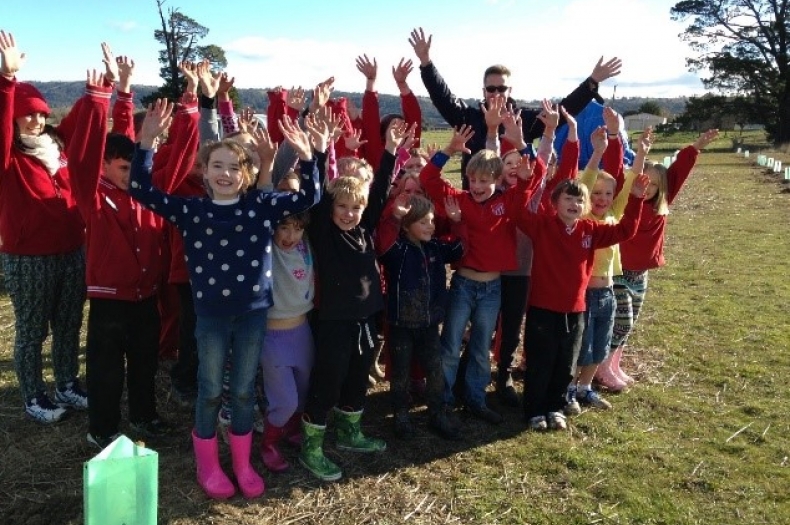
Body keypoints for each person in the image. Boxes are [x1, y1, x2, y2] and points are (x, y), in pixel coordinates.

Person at [129, 103, 320, 500]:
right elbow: (142, 190)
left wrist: (310, 155)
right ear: (204, 171)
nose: (226, 174)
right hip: (212, 318)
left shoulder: (262, 208)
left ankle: (243, 462)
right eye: (218, 165)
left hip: (252, 317)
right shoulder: (192, 211)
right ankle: (208, 464)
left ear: (247, 173)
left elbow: (312, 196)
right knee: (211, 389)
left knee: (245, 392)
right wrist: (146, 144)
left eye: (235, 167)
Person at [77, 50, 198, 449]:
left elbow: (178, 159)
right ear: (104, 167)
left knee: (144, 363)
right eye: (123, 169)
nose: (132, 175)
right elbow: (88, 151)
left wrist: (190, 108)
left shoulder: (147, 194)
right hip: (110, 300)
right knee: (106, 368)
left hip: (146, 296)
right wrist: (107, 95)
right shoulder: (93, 196)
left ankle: (145, 415)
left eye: (134, 167)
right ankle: (104, 427)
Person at [0, 30, 109, 423]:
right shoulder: (9, 159)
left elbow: (81, 122)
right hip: (28, 256)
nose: (35, 119)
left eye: (41, 112)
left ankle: (66, 383)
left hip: (70, 249)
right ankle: (33, 396)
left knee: (68, 323)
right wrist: (6, 81)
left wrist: (103, 91)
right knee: (31, 330)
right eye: (27, 113)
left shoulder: (56, 148)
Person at [298, 122, 408, 483]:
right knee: (329, 380)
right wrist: (318, 150)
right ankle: (311, 446)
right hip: (333, 320)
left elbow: (377, 193)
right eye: (342, 206)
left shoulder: (364, 227)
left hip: (367, 318)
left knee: (358, 378)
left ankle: (349, 432)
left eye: (355, 208)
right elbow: (317, 195)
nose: (349, 213)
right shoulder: (324, 232)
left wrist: (390, 149)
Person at [419, 126, 541, 425]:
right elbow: (428, 179)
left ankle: (475, 397)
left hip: (492, 288)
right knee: (450, 344)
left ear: (497, 180)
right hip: (463, 284)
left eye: (484, 180)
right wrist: (449, 149)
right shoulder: (459, 201)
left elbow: (534, 177)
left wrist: (524, 146)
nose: (477, 185)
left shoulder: (507, 202)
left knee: (481, 345)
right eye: (473, 179)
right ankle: (443, 400)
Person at [516, 166, 650, 431]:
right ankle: (535, 409)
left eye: (580, 200)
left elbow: (624, 231)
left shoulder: (590, 229)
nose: (574, 204)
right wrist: (524, 182)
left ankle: (555, 407)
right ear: (555, 203)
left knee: (566, 363)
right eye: (568, 198)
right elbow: (519, 212)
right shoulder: (542, 225)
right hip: (543, 309)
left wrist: (635, 200)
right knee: (541, 361)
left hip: (575, 310)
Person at [408, 26, 621, 188]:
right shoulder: (468, 119)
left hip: (517, 206)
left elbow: (563, 111)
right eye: (491, 89)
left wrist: (591, 82)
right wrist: (426, 63)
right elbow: (442, 96)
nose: (496, 93)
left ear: (510, 90)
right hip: (475, 206)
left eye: (502, 88)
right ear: (483, 91)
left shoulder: (525, 121)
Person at [607, 128, 720, 385]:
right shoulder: (626, 203)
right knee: (621, 322)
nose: (647, 188)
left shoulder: (664, 202)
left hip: (641, 274)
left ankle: (614, 365)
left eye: (654, 184)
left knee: (629, 324)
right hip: (619, 271)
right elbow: (627, 176)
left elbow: (680, 170)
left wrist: (696, 146)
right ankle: (603, 366)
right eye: (643, 182)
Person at [565, 114, 649, 414]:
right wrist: (598, 152)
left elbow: (629, 188)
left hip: (608, 292)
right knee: (582, 343)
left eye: (607, 194)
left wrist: (640, 154)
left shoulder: (613, 218)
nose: (601, 198)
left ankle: (586, 387)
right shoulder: (585, 219)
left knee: (600, 345)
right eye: (596, 194)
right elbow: (584, 183)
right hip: (585, 293)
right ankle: (570, 388)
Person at [376, 193, 465, 440]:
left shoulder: (435, 247)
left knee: (434, 370)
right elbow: (382, 244)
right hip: (401, 323)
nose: (430, 226)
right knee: (401, 372)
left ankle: (437, 413)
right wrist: (395, 217)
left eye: (432, 221)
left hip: (428, 324)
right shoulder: (398, 251)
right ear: (407, 226)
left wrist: (457, 222)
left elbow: (458, 249)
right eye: (423, 222)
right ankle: (401, 416)